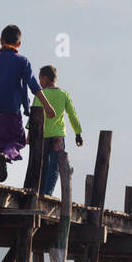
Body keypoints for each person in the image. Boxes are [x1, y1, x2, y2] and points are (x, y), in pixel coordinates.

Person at [0, 24, 56, 182]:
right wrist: (47, 105)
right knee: (16, 140)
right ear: (19, 44)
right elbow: (33, 84)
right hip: (11, 113)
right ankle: (7, 155)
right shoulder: (22, 61)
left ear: (0, 41)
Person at [33, 64, 83, 195]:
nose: (39, 82)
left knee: (42, 165)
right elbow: (72, 115)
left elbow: (34, 115)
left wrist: (29, 133)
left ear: (45, 78)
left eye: (40, 79)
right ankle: (47, 193)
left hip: (42, 136)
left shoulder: (41, 94)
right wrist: (78, 133)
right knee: (54, 166)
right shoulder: (64, 94)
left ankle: (39, 191)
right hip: (58, 137)